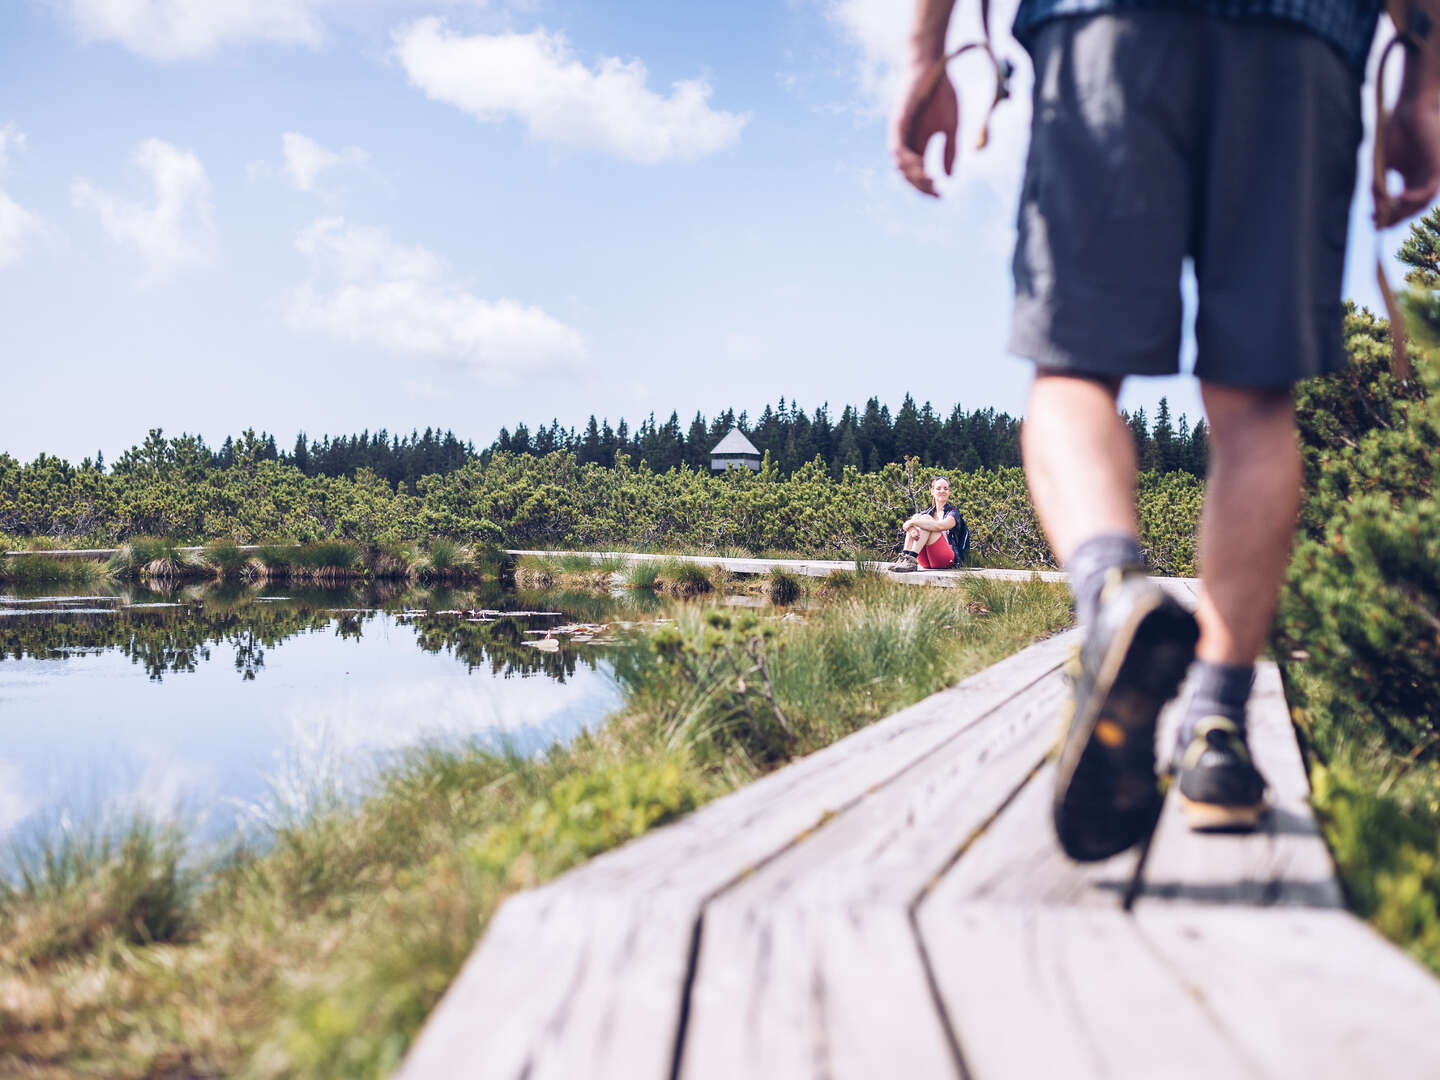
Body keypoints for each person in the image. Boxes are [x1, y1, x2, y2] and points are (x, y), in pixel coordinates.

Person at [894, 0, 1440, 860]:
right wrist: (1422, 85)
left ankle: (1115, 595)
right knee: (1257, 403)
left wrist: (931, 55)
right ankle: (1217, 731)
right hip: (1303, 40)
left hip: (1105, 29)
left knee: (1073, 373)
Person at [891, 476, 968, 572]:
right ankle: (905, 558)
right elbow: (906, 525)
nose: (942, 491)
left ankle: (911, 558)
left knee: (924, 520)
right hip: (926, 560)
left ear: (949, 492)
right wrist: (912, 528)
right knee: (918, 517)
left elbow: (939, 526)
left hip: (947, 560)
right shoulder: (926, 513)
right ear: (932, 492)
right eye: (938, 488)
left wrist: (912, 523)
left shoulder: (953, 513)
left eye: (945, 488)